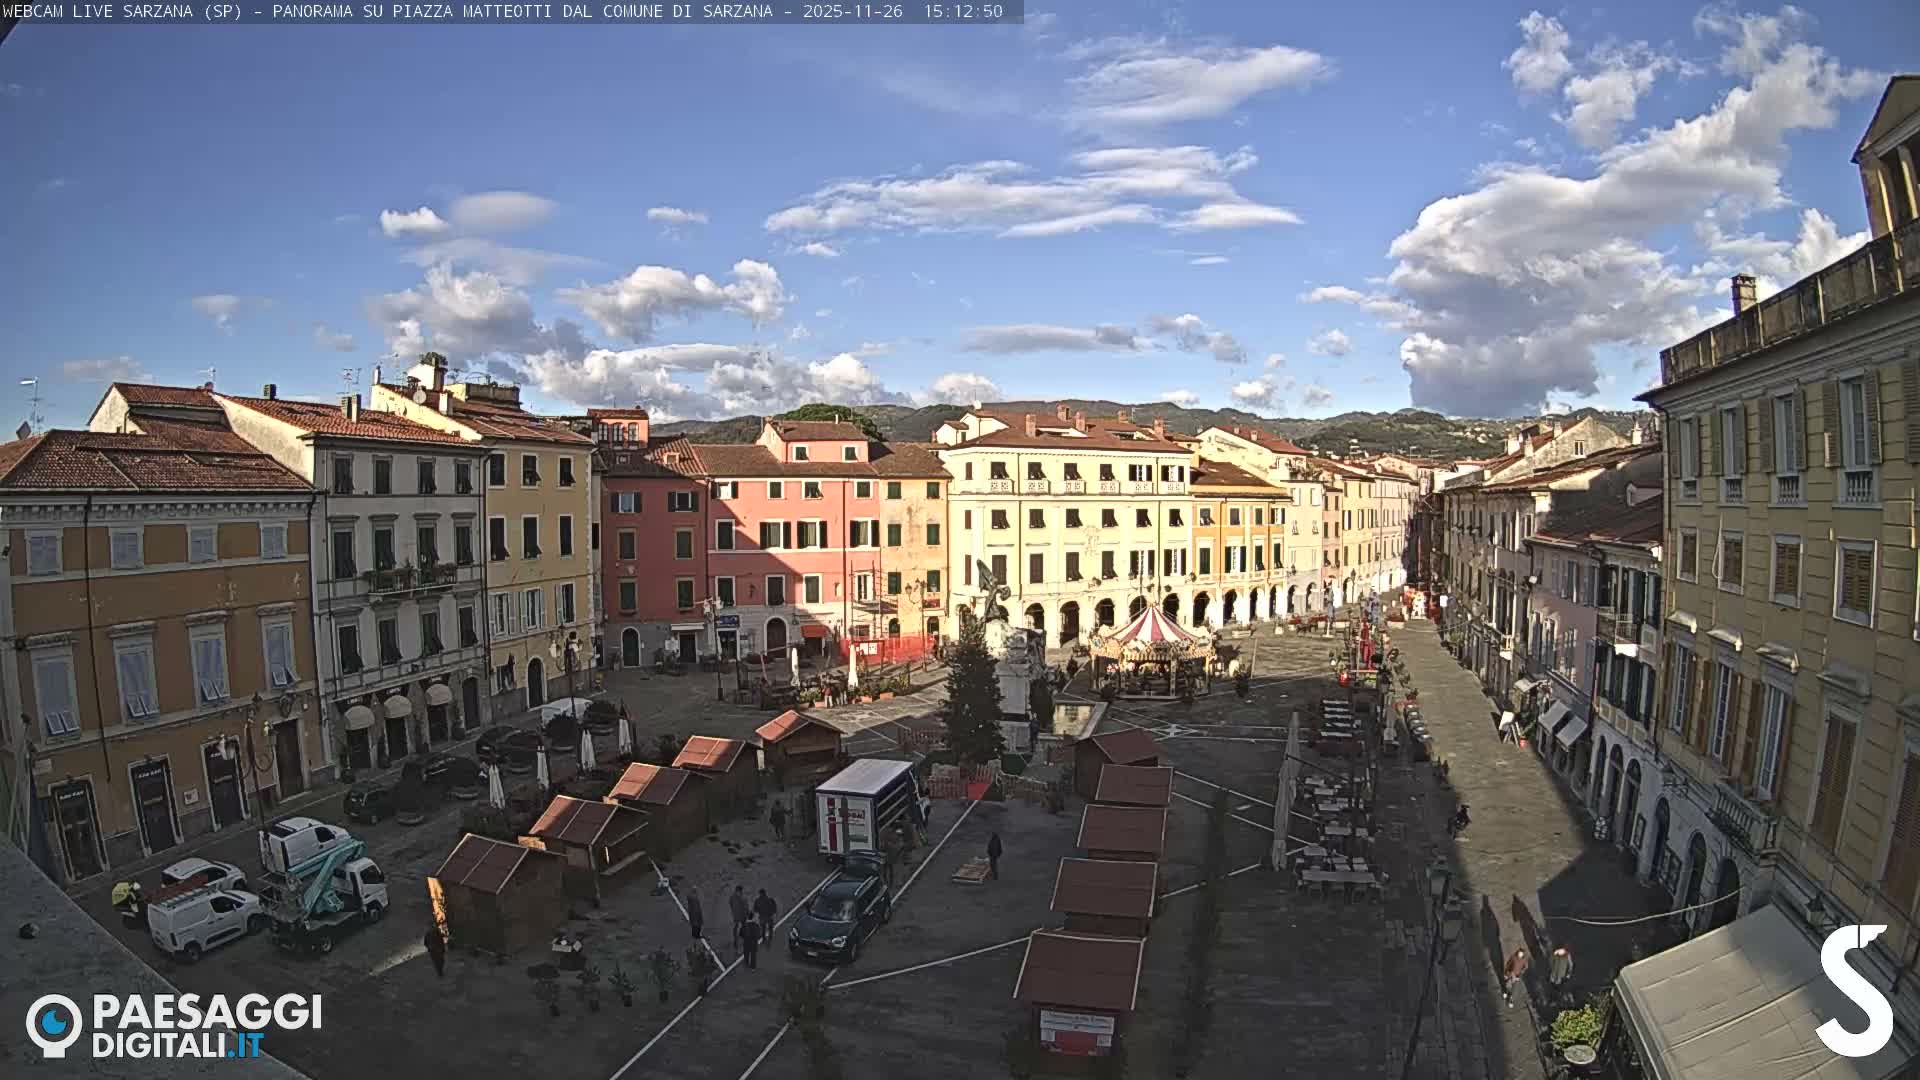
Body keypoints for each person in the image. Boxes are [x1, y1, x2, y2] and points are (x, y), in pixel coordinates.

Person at [729, 886, 750, 950]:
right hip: (742, 915)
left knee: (736, 926)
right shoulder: (743, 898)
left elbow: (730, 904)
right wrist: (747, 913)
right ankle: (745, 939)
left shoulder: (732, 897)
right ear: (740, 891)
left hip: (736, 915)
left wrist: (733, 911)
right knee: (744, 926)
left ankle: (735, 939)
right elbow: (746, 907)